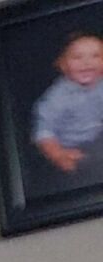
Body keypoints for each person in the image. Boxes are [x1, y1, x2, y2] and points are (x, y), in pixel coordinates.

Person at [31, 31, 103, 184]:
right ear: (62, 64)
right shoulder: (56, 98)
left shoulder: (100, 83)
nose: (87, 63)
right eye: (77, 57)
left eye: (96, 56)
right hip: (70, 147)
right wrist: (57, 154)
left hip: (97, 136)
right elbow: (43, 131)